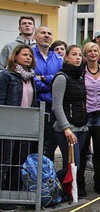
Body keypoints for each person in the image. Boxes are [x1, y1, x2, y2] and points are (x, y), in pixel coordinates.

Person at [0, 45, 37, 205]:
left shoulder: (30, 78)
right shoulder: (6, 76)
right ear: (15, 57)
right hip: (9, 124)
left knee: (19, 161)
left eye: (30, 55)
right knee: (5, 161)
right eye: (24, 55)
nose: (28, 57)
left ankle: (13, 195)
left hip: (25, 125)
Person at [51, 45, 88, 199]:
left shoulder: (79, 76)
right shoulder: (61, 77)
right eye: (74, 54)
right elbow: (57, 105)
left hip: (81, 127)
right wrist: (66, 128)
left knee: (74, 166)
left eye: (80, 55)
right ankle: (47, 186)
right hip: (67, 129)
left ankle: (66, 193)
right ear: (66, 57)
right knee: (72, 165)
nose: (78, 57)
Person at [77, 42, 100, 196]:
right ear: (85, 54)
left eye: (95, 50)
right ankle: (80, 182)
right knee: (83, 151)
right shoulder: (80, 71)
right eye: (89, 51)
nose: (92, 53)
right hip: (86, 115)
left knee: (99, 150)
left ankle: (98, 181)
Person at [33, 26, 63, 161]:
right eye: (43, 32)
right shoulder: (29, 55)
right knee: (33, 144)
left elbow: (61, 80)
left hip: (52, 107)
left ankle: (46, 178)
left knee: (50, 145)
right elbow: (32, 81)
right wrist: (50, 82)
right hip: (34, 105)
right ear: (35, 36)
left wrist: (43, 78)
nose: (46, 35)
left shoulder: (58, 58)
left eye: (49, 33)